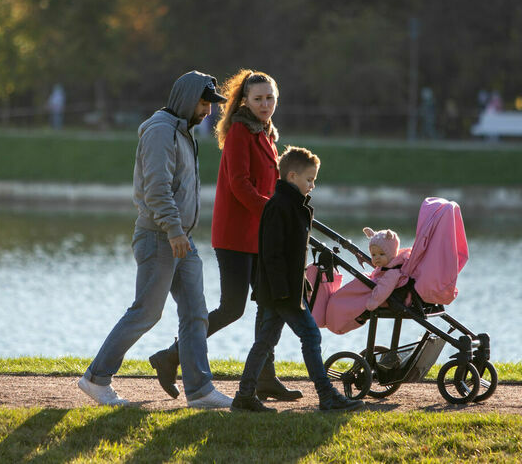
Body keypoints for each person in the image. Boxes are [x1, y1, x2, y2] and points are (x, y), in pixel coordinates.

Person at [77, 70, 233, 409]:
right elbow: (157, 189)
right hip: (160, 237)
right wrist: (175, 231)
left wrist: (181, 234)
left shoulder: (182, 131)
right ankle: (96, 379)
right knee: (146, 313)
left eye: (210, 105)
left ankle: (200, 390)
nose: (209, 111)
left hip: (181, 238)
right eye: (205, 104)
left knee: (196, 313)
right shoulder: (161, 132)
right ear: (189, 100)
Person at [149, 70, 302, 402]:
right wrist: (274, 213)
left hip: (261, 235)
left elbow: (268, 185)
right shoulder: (239, 132)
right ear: (245, 101)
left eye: (270, 98)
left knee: (270, 303)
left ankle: (265, 376)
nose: (265, 104)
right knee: (233, 308)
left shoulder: (267, 133)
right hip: (235, 235)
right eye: (258, 98)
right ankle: (170, 357)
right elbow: (240, 185)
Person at [230, 146, 365, 412]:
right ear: (292, 176)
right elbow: (272, 254)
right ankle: (326, 395)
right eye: (309, 179)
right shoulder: (280, 207)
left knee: (265, 341)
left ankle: (244, 396)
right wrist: (284, 290)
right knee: (311, 335)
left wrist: (300, 281)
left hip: (282, 289)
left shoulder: (291, 205)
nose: (313, 185)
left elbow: (292, 254)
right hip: (281, 291)